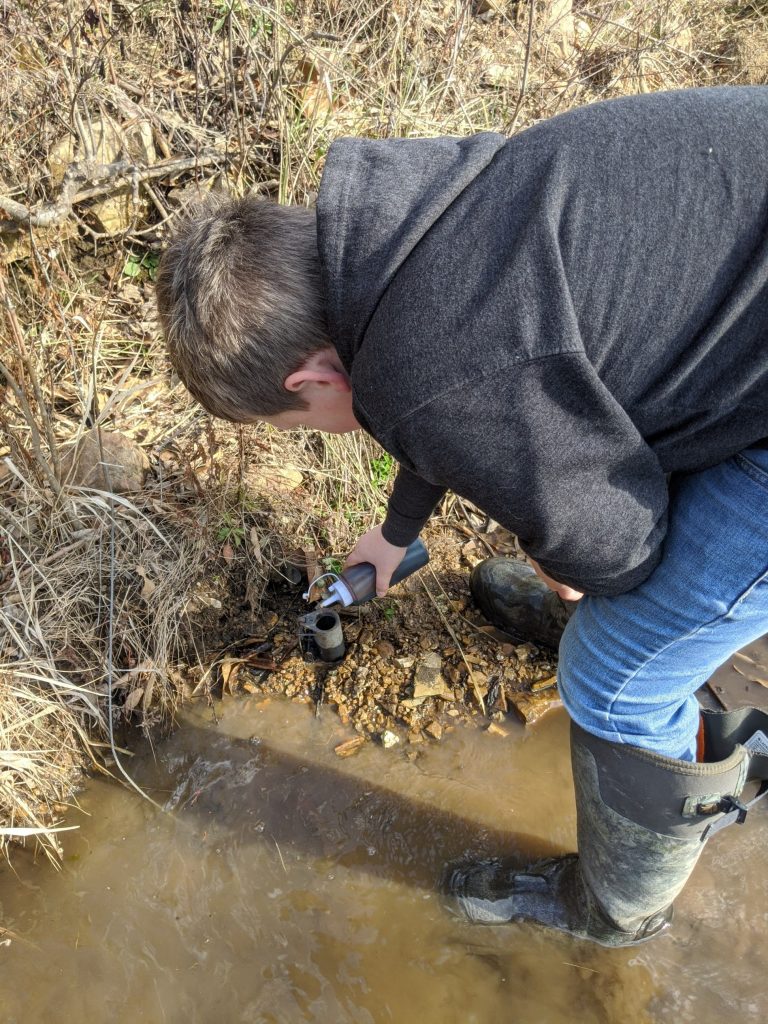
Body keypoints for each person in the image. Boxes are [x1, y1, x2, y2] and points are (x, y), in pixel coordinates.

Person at [156, 86, 768, 947]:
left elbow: (619, 543)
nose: (311, 433)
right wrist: (397, 532)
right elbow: (451, 368)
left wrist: (577, 570)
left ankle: (615, 912)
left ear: (307, 384)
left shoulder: (433, 367)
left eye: (293, 425)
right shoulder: (406, 214)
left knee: (616, 672)